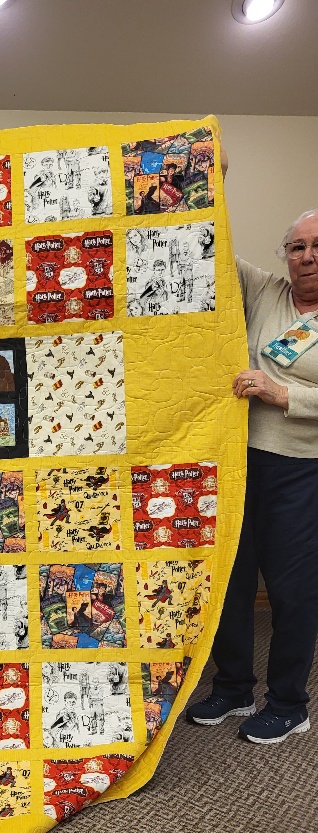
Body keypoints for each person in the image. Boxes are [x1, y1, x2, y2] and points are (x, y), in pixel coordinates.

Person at [187, 177, 318, 743]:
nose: (308, 256)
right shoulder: (267, 291)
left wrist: (282, 393)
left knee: (291, 591)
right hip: (240, 461)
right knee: (233, 581)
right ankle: (234, 687)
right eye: (297, 246)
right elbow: (211, 242)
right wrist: (205, 175)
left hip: (301, 469)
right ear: (285, 254)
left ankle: (289, 702)